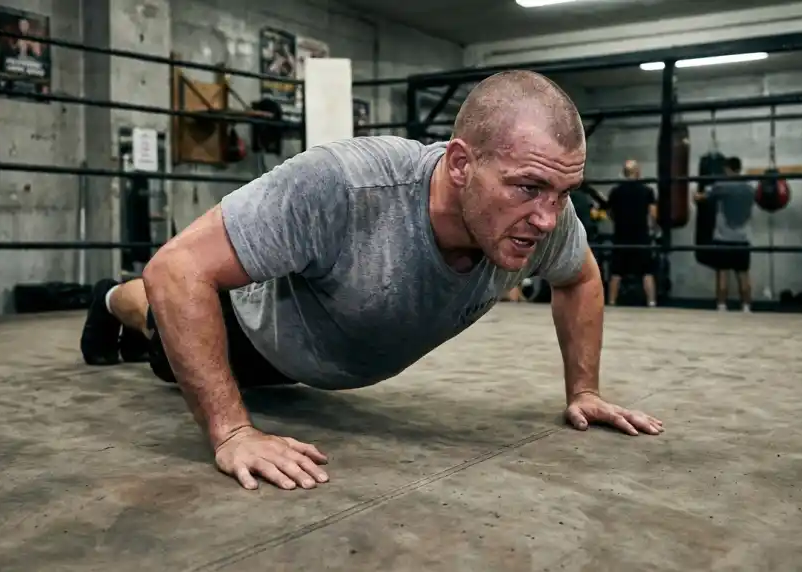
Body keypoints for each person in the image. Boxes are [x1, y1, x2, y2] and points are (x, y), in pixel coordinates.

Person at [79, 70, 664, 492]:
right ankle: (108, 299)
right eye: (528, 187)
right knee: (156, 313)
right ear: (461, 164)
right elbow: (176, 269)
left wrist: (583, 390)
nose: (547, 216)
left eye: (564, 193)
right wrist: (231, 431)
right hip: (248, 330)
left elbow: (582, 277)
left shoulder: (542, 219)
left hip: (313, 365)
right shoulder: (348, 186)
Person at [694, 156, 755, 312]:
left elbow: (700, 198)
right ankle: (746, 307)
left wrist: (695, 194)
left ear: (727, 169)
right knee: (743, 275)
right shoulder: (749, 188)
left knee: (722, 273)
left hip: (723, 238)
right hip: (743, 239)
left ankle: (721, 306)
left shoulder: (721, 186)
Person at [604, 160, 657, 306]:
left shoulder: (615, 191)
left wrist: (618, 221)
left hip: (621, 234)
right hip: (641, 234)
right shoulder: (647, 190)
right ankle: (652, 302)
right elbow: (653, 213)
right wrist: (654, 229)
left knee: (616, 272)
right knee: (647, 271)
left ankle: (612, 302)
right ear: (638, 172)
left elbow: (609, 212)